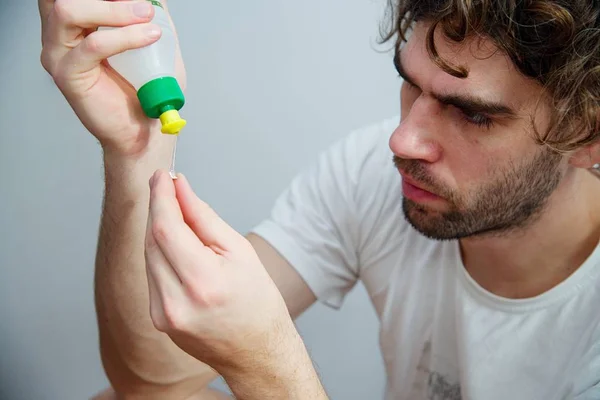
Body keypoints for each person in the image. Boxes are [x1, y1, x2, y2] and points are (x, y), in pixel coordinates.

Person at [38, 0, 600, 398]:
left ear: (586, 135)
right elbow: (151, 379)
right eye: (411, 84)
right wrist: (137, 147)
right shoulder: (375, 177)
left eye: (473, 113)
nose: (401, 140)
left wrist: (269, 365)